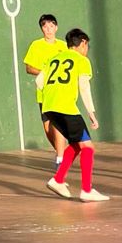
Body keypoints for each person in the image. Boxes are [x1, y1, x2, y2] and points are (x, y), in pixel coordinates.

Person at [43, 28, 109, 202]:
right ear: (83, 43)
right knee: (87, 147)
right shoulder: (81, 61)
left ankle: (58, 180)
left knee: (77, 144)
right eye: (87, 46)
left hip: (49, 107)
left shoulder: (53, 58)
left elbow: (39, 81)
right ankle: (86, 190)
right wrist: (92, 114)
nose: (87, 50)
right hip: (66, 108)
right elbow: (84, 89)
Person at [22, 14, 67, 165]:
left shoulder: (63, 46)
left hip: (61, 92)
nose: (48, 29)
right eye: (45, 26)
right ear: (42, 29)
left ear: (56, 28)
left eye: (51, 26)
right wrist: (45, 73)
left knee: (57, 124)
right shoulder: (36, 45)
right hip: (44, 92)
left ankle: (61, 159)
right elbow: (28, 68)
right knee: (48, 128)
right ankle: (60, 151)